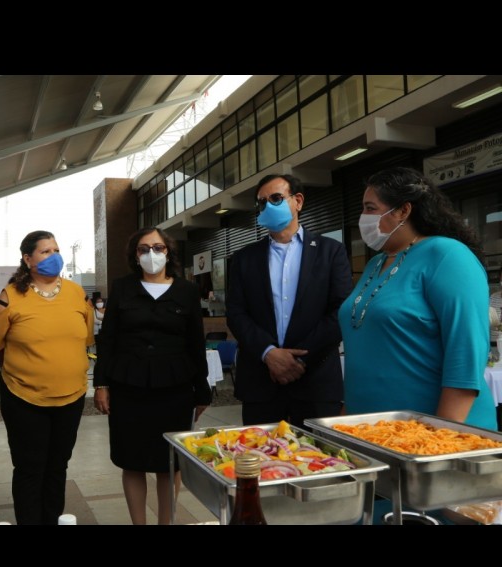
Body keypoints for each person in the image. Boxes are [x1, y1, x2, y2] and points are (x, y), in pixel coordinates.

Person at [338, 166, 496, 429]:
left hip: (432, 435)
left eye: (370, 208)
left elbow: (466, 352)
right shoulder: (376, 263)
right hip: (370, 430)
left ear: (403, 210)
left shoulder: (447, 256)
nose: (362, 217)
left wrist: (441, 434)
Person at [93, 227, 211, 525]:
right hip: (128, 386)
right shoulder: (122, 288)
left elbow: (196, 342)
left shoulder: (186, 291)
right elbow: (107, 339)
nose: (151, 254)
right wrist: (101, 383)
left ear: (168, 252)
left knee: (169, 463)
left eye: (158, 247)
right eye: (143, 249)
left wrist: (202, 389)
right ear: (135, 255)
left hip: (175, 388)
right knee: (131, 461)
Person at [225, 173, 352, 427]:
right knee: (261, 452)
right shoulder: (244, 258)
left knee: (319, 452)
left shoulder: (331, 251)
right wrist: (269, 353)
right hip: (261, 382)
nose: (268, 206)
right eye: (262, 202)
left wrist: (298, 360)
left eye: (276, 198)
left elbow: (340, 311)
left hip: (316, 380)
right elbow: (236, 313)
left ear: (298, 201)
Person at [0, 230, 94, 525]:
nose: (54, 256)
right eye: (45, 251)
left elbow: (85, 339)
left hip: (71, 396)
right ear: (27, 259)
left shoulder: (77, 293)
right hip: (24, 397)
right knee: (30, 467)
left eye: (56, 250)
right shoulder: (9, 297)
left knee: (58, 466)